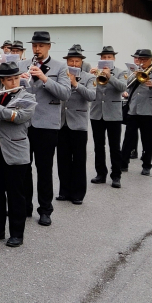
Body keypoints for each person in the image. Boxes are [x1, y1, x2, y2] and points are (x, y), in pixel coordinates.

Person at [0, 62, 37, 247]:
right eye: (8, 79)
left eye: (15, 78)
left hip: (15, 151)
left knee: (15, 194)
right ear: (2, 81)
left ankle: (17, 233)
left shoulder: (27, 97)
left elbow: (17, 117)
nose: (13, 82)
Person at [22, 31, 71, 227]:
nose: (37, 49)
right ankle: (25, 206)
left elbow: (65, 93)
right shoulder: (21, 65)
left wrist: (44, 78)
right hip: (24, 124)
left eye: (41, 46)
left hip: (47, 126)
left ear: (49, 46)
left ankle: (45, 210)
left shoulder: (60, 67)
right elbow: (13, 92)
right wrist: (20, 82)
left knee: (44, 169)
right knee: (23, 168)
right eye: (34, 46)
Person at [120, 48, 152, 176]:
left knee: (148, 140)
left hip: (150, 112)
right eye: (140, 59)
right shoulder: (134, 71)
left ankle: (147, 165)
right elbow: (126, 85)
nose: (141, 62)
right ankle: (123, 163)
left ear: (150, 60)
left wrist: (151, 84)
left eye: (144, 59)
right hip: (134, 109)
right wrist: (130, 82)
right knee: (128, 139)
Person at [55, 49, 97, 204]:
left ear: (81, 63)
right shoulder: (62, 76)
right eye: (71, 61)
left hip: (78, 124)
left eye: (76, 61)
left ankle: (78, 194)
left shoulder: (89, 77)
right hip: (62, 122)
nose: (73, 64)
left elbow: (92, 96)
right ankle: (64, 191)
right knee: (62, 159)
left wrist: (75, 84)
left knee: (78, 161)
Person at [89, 46, 128, 188]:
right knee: (99, 146)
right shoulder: (94, 72)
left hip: (113, 114)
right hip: (96, 113)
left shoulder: (120, 72)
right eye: (103, 57)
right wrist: (90, 75)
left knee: (114, 146)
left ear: (114, 58)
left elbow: (123, 87)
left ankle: (116, 176)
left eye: (109, 57)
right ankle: (100, 174)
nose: (106, 60)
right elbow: (89, 89)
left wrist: (109, 76)